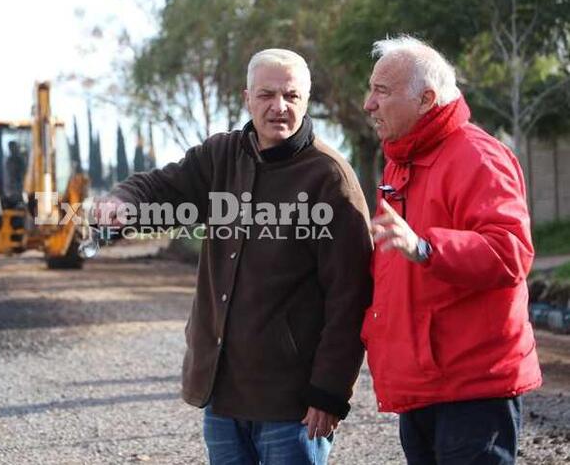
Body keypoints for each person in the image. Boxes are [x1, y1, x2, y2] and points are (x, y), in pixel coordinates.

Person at [95, 49, 373, 464]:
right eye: (266, 95)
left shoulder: (330, 178)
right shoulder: (220, 156)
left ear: (306, 100)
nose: (279, 106)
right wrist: (123, 200)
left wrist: (330, 392)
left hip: (291, 404)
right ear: (247, 98)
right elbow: (161, 188)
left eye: (291, 96)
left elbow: (351, 296)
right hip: (222, 395)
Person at [363, 35, 542, 464]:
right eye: (371, 90)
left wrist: (426, 247)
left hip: (473, 389)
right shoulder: (399, 163)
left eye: (382, 92)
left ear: (426, 100)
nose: (369, 104)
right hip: (422, 386)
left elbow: (510, 252)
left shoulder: (479, 156)